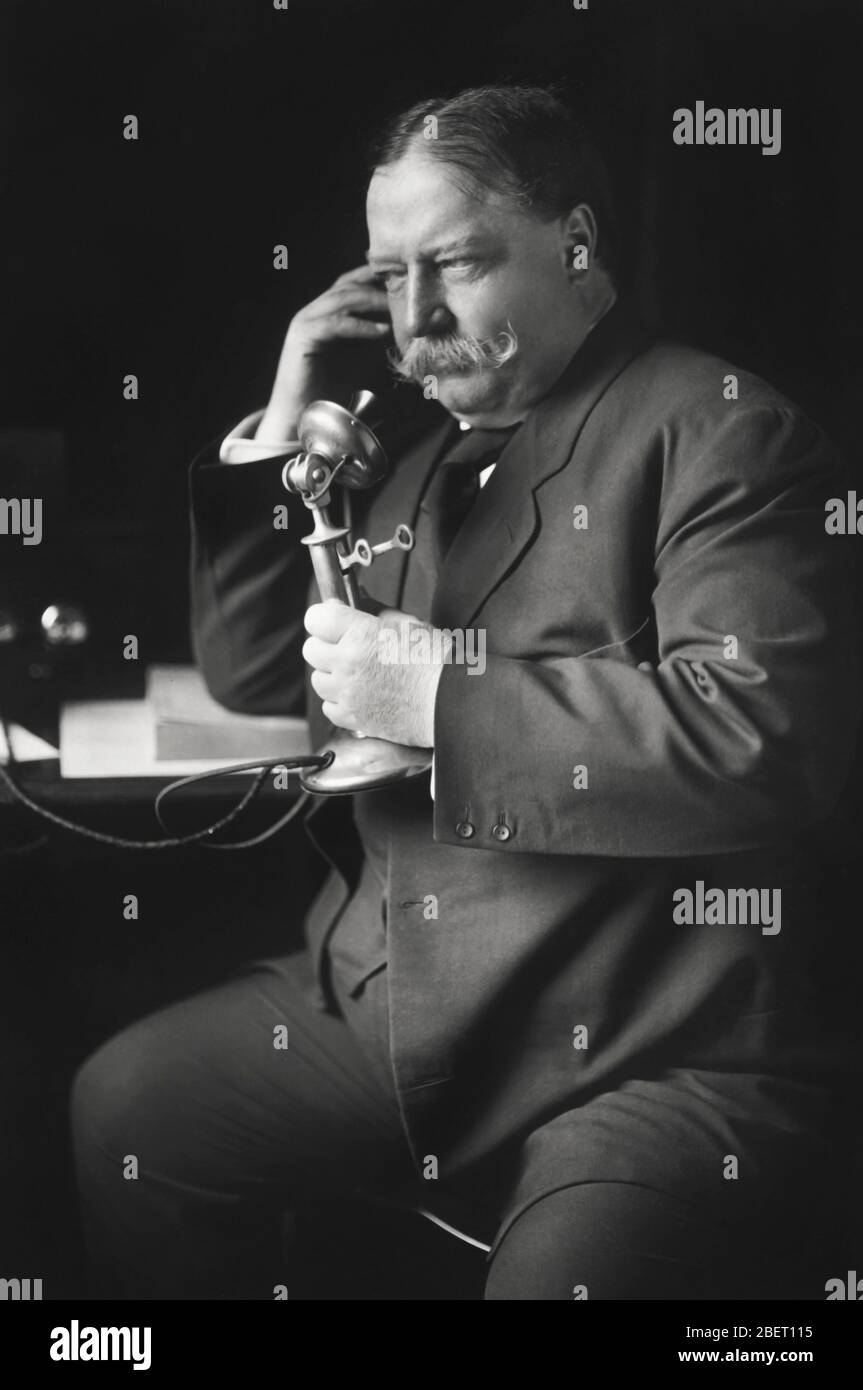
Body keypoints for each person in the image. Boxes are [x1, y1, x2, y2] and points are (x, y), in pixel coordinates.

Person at [71, 84, 861, 1300]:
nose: (417, 317)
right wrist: (284, 429)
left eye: (457, 264)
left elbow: (759, 740)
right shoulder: (418, 446)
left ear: (578, 245)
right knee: (129, 1114)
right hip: (397, 999)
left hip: (648, 1038)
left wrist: (439, 691)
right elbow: (258, 676)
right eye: (390, 276)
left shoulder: (721, 432)